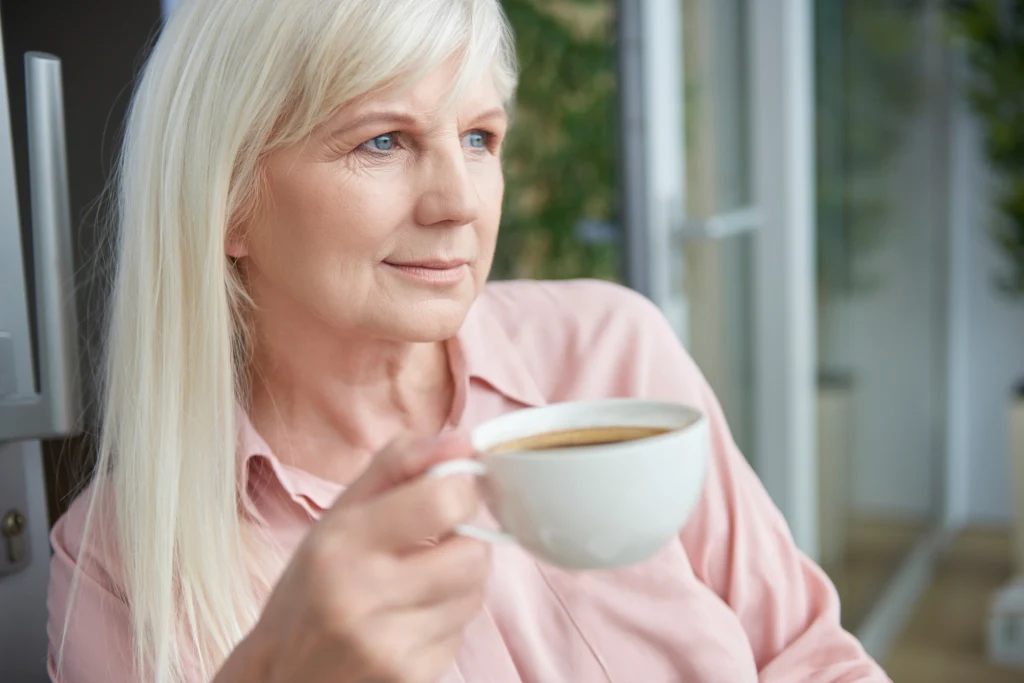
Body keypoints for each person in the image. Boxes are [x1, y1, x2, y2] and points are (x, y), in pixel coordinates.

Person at [46, 0, 890, 681]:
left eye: (480, 138)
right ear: (228, 201)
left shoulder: (609, 349)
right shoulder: (117, 561)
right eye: (384, 140)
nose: (460, 202)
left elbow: (810, 656)